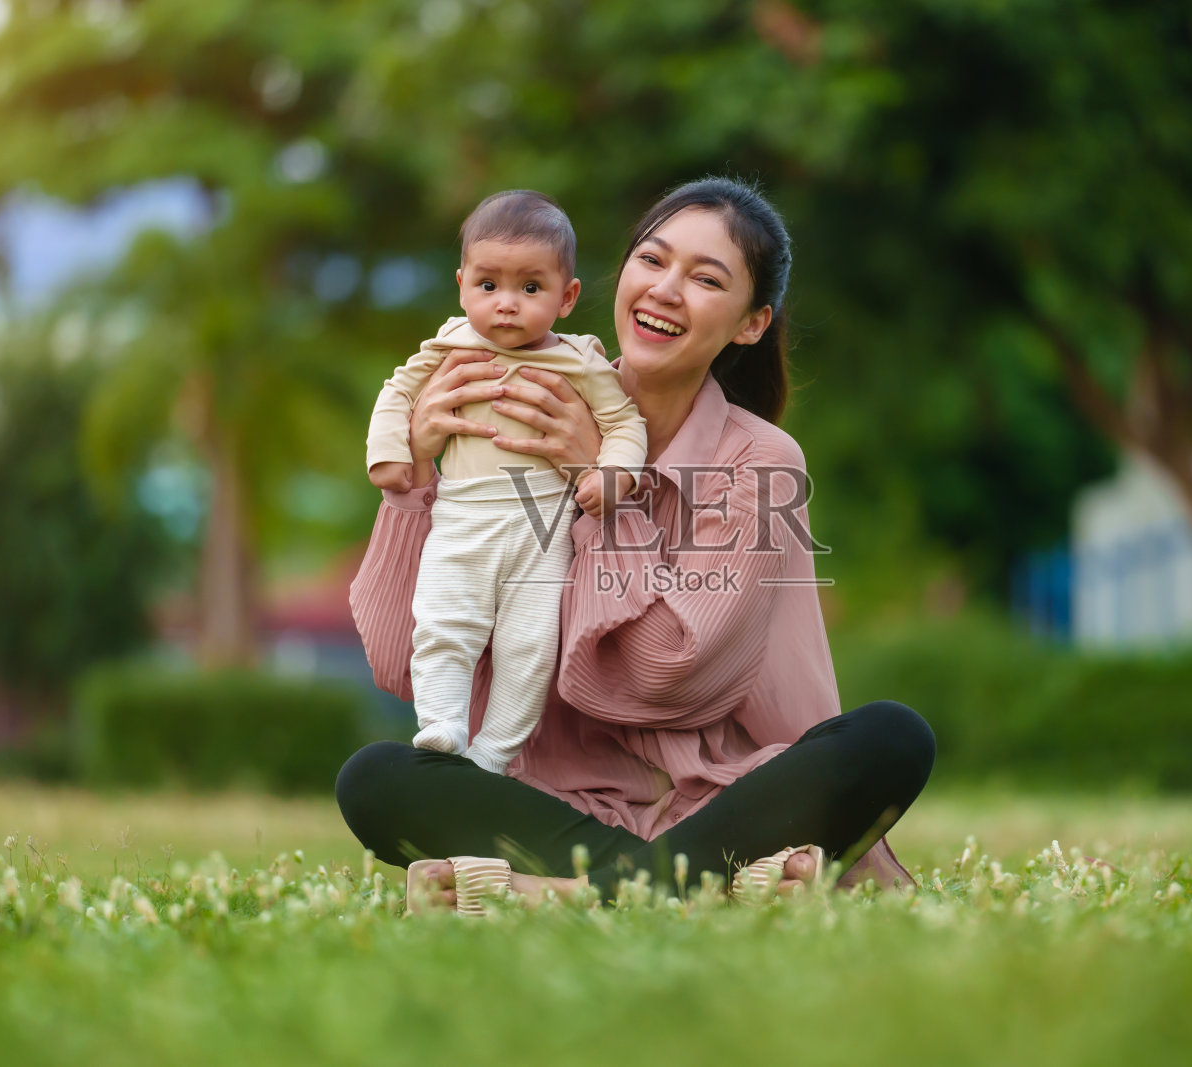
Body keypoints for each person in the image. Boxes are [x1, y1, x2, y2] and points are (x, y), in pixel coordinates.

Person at [338, 176, 935, 909]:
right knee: (374, 778)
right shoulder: (515, 407)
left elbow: (656, 676)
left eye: (706, 278)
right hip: (551, 805)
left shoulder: (762, 464)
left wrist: (604, 488)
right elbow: (400, 659)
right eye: (652, 260)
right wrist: (412, 481)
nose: (666, 290)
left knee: (890, 738)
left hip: (726, 804)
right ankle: (702, 891)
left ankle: (558, 894)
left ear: (750, 324)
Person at [364, 190, 647, 774]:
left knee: (531, 644)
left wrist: (613, 474)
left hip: (541, 527)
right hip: (461, 518)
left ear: (567, 297)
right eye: (488, 286)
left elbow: (624, 422)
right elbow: (397, 391)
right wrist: (391, 453)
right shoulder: (450, 344)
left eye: (531, 288)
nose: (507, 305)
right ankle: (442, 721)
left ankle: (494, 752)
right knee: (443, 621)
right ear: (462, 284)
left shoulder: (580, 361)